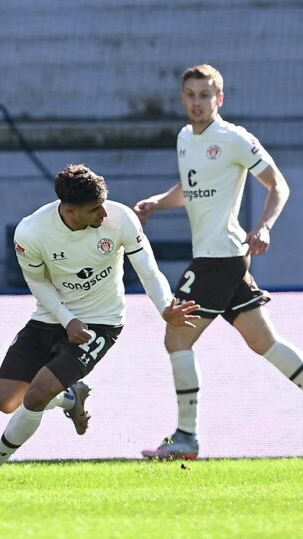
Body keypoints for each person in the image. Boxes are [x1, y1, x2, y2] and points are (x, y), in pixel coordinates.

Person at [0, 164, 199, 483]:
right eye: (93, 210)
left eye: (103, 204)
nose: (103, 214)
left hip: (101, 324)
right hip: (51, 318)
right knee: (4, 400)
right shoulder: (31, 232)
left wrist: (165, 308)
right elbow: (38, 284)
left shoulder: (120, 219)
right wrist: (67, 319)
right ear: (70, 212)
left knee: (36, 395)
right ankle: (70, 397)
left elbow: (148, 269)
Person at [134, 64, 303, 460]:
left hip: (219, 259)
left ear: (219, 98)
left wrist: (263, 226)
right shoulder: (184, 138)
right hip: (220, 259)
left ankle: (186, 437)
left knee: (176, 336)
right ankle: (186, 437)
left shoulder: (234, 139)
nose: (197, 102)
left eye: (205, 95)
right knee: (264, 342)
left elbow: (279, 185)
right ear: (182, 98)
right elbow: (190, 190)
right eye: (191, 95)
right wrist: (159, 202)